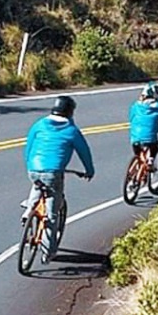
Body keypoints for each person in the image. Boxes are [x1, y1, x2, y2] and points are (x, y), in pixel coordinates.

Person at [22, 95, 95, 262]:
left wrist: (30, 166)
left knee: (38, 184)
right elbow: (84, 152)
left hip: (33, 169)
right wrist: (89, 171)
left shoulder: (39, 124)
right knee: (52, 215)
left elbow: (29, 148)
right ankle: (48, 253)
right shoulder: (71, 131)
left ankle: (29, 209)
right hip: (53, 172)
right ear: (69, 112)